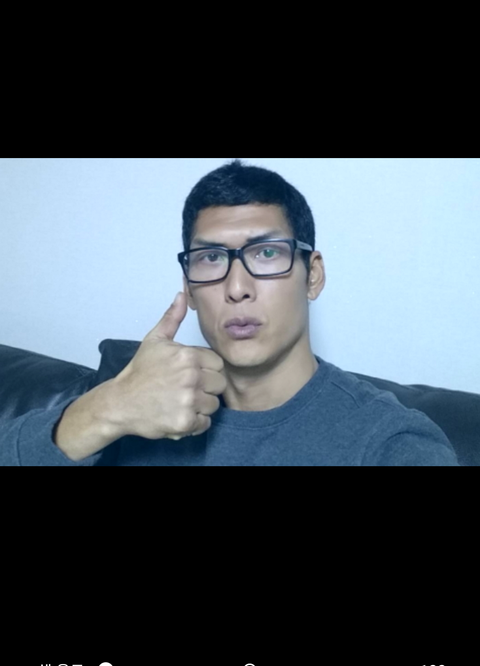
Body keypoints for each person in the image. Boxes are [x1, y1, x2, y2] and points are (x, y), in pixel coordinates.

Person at [1, 159, 459, 466]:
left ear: (313, 276)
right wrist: (108, 409)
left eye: (266, 253)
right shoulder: (135, 403)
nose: (237, 288)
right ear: (189, 288)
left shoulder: (388, 442)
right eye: (211, 258)